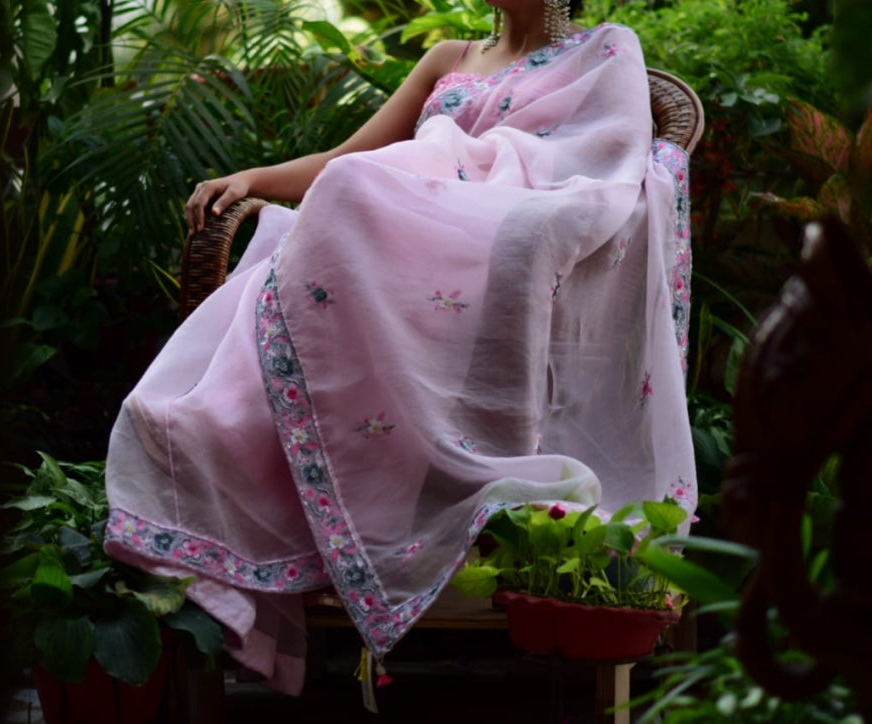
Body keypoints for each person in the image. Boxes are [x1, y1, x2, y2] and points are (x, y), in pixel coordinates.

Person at [104, 0, 698, 697]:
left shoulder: (606, 49)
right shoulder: (447, 56)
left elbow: (605, 161)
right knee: (343, 197)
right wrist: (255, 181)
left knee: (372, 193)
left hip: (501, 242)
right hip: (404, 245)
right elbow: (347, 160)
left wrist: (475, 168)